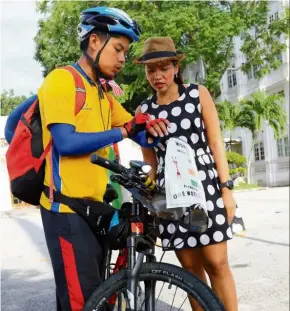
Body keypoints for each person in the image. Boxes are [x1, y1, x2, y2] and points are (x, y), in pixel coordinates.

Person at [34, 8, 169, 311]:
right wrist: (123, 131)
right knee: (85, 303)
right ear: (95, 41)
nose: (123, 58)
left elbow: (136, 131)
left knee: (85, 297)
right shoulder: (62, 80)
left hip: (92, 208)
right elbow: (66, 143)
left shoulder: (102, 93)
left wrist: (154, 131)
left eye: (126, 51)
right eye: (118, 49)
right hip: (65, 210)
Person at [135, 37, 238, 311]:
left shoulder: (197, 94)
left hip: (206, 186)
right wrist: (151, 201)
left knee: (217, 263)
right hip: (171, 193)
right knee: (190, 272)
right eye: (150, 70)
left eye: (163, 68)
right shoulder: (143, 112)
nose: (157, 76)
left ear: (175, 67)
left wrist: (227, 190)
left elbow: (216, 143)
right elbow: (151, 165)